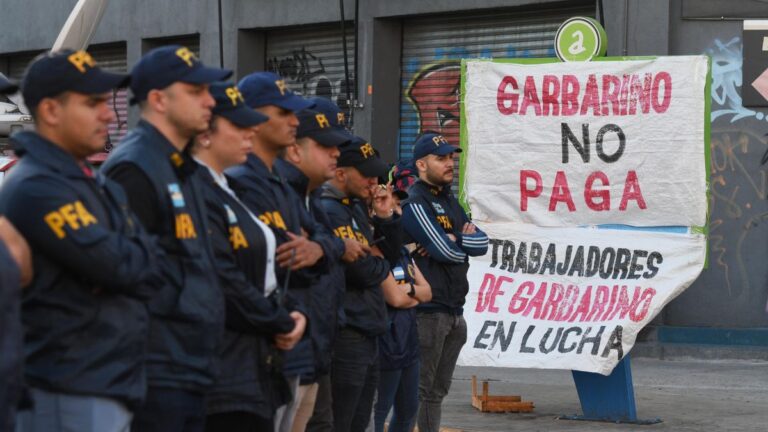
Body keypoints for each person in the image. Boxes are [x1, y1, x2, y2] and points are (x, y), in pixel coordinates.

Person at [0, 49, 159, 432]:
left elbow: (146, 262)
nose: (110, 114)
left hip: (106, 379)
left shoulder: (92, 180)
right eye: (93, 103)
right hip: (67, 384)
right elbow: (125, 266)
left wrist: (139, 255)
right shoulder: (36, 186)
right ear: (52, 112)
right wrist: (139, 255)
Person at [101, 45, 232, 432]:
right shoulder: (134, 168)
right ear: (158, 100)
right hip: (156, 373)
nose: (210, 101)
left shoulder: (180, 167)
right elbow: (125, 279)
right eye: (195, 91)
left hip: (189, 364)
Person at [188, 81, 307, 431]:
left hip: (252, 362)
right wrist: (281, 320)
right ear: (205, 134)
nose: (250, 131)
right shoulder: (199, 191)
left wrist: (288, 315)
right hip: (224, 366)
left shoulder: (227, 189)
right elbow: (223, 277)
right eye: (239, 125)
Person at [227, 72, 337, 430]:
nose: (294, 122)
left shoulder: (281, 183)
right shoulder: (239, 180)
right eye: (284, 113)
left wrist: (318, 248)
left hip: (297, 343)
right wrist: (315, 251)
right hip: (263, 348)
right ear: (254, 119)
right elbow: (273, 260)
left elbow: (320, 240)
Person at [278, 101, 368, 432]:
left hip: (317, 348)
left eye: (337, 146)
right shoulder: (283, 193)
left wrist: (326, 247)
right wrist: (333, 247)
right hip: (290, 351)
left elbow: (337, 251)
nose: (335, 154)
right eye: (325, 146)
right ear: (293, 150)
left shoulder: (311, 197)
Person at [319, 137, 414, 432]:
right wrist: (377, 263)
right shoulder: (328, 209)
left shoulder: (356, 208)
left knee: (361, 421)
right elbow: (360, 271)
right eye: (367, 174)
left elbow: (390, 255)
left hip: (370, 329)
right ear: (340, 172)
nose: (375, 181)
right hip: (347, 332)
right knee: (341, 422)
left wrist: (386, 217)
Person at [401, 132, 489, 432]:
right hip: (428, 313)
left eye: (451, 157)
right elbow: (448, 251)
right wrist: (455, 241)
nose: (450, 163)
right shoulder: (415, 202)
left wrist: (455, 238)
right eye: (442, 158)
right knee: (420, 391)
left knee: (437, 393)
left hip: (454, 312)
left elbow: (483, 244)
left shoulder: (450, 200)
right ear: (421, 165)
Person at [372, 171, 431, 432]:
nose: (396, 210)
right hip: (385, 347)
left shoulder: (404, 254)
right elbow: (395, 299)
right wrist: (411, 294)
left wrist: (407, 290)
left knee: (408, 413)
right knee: (376, 412)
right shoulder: (376, 250)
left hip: (409, 346)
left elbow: (427, 292)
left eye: (398, 205)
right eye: (391, 205)